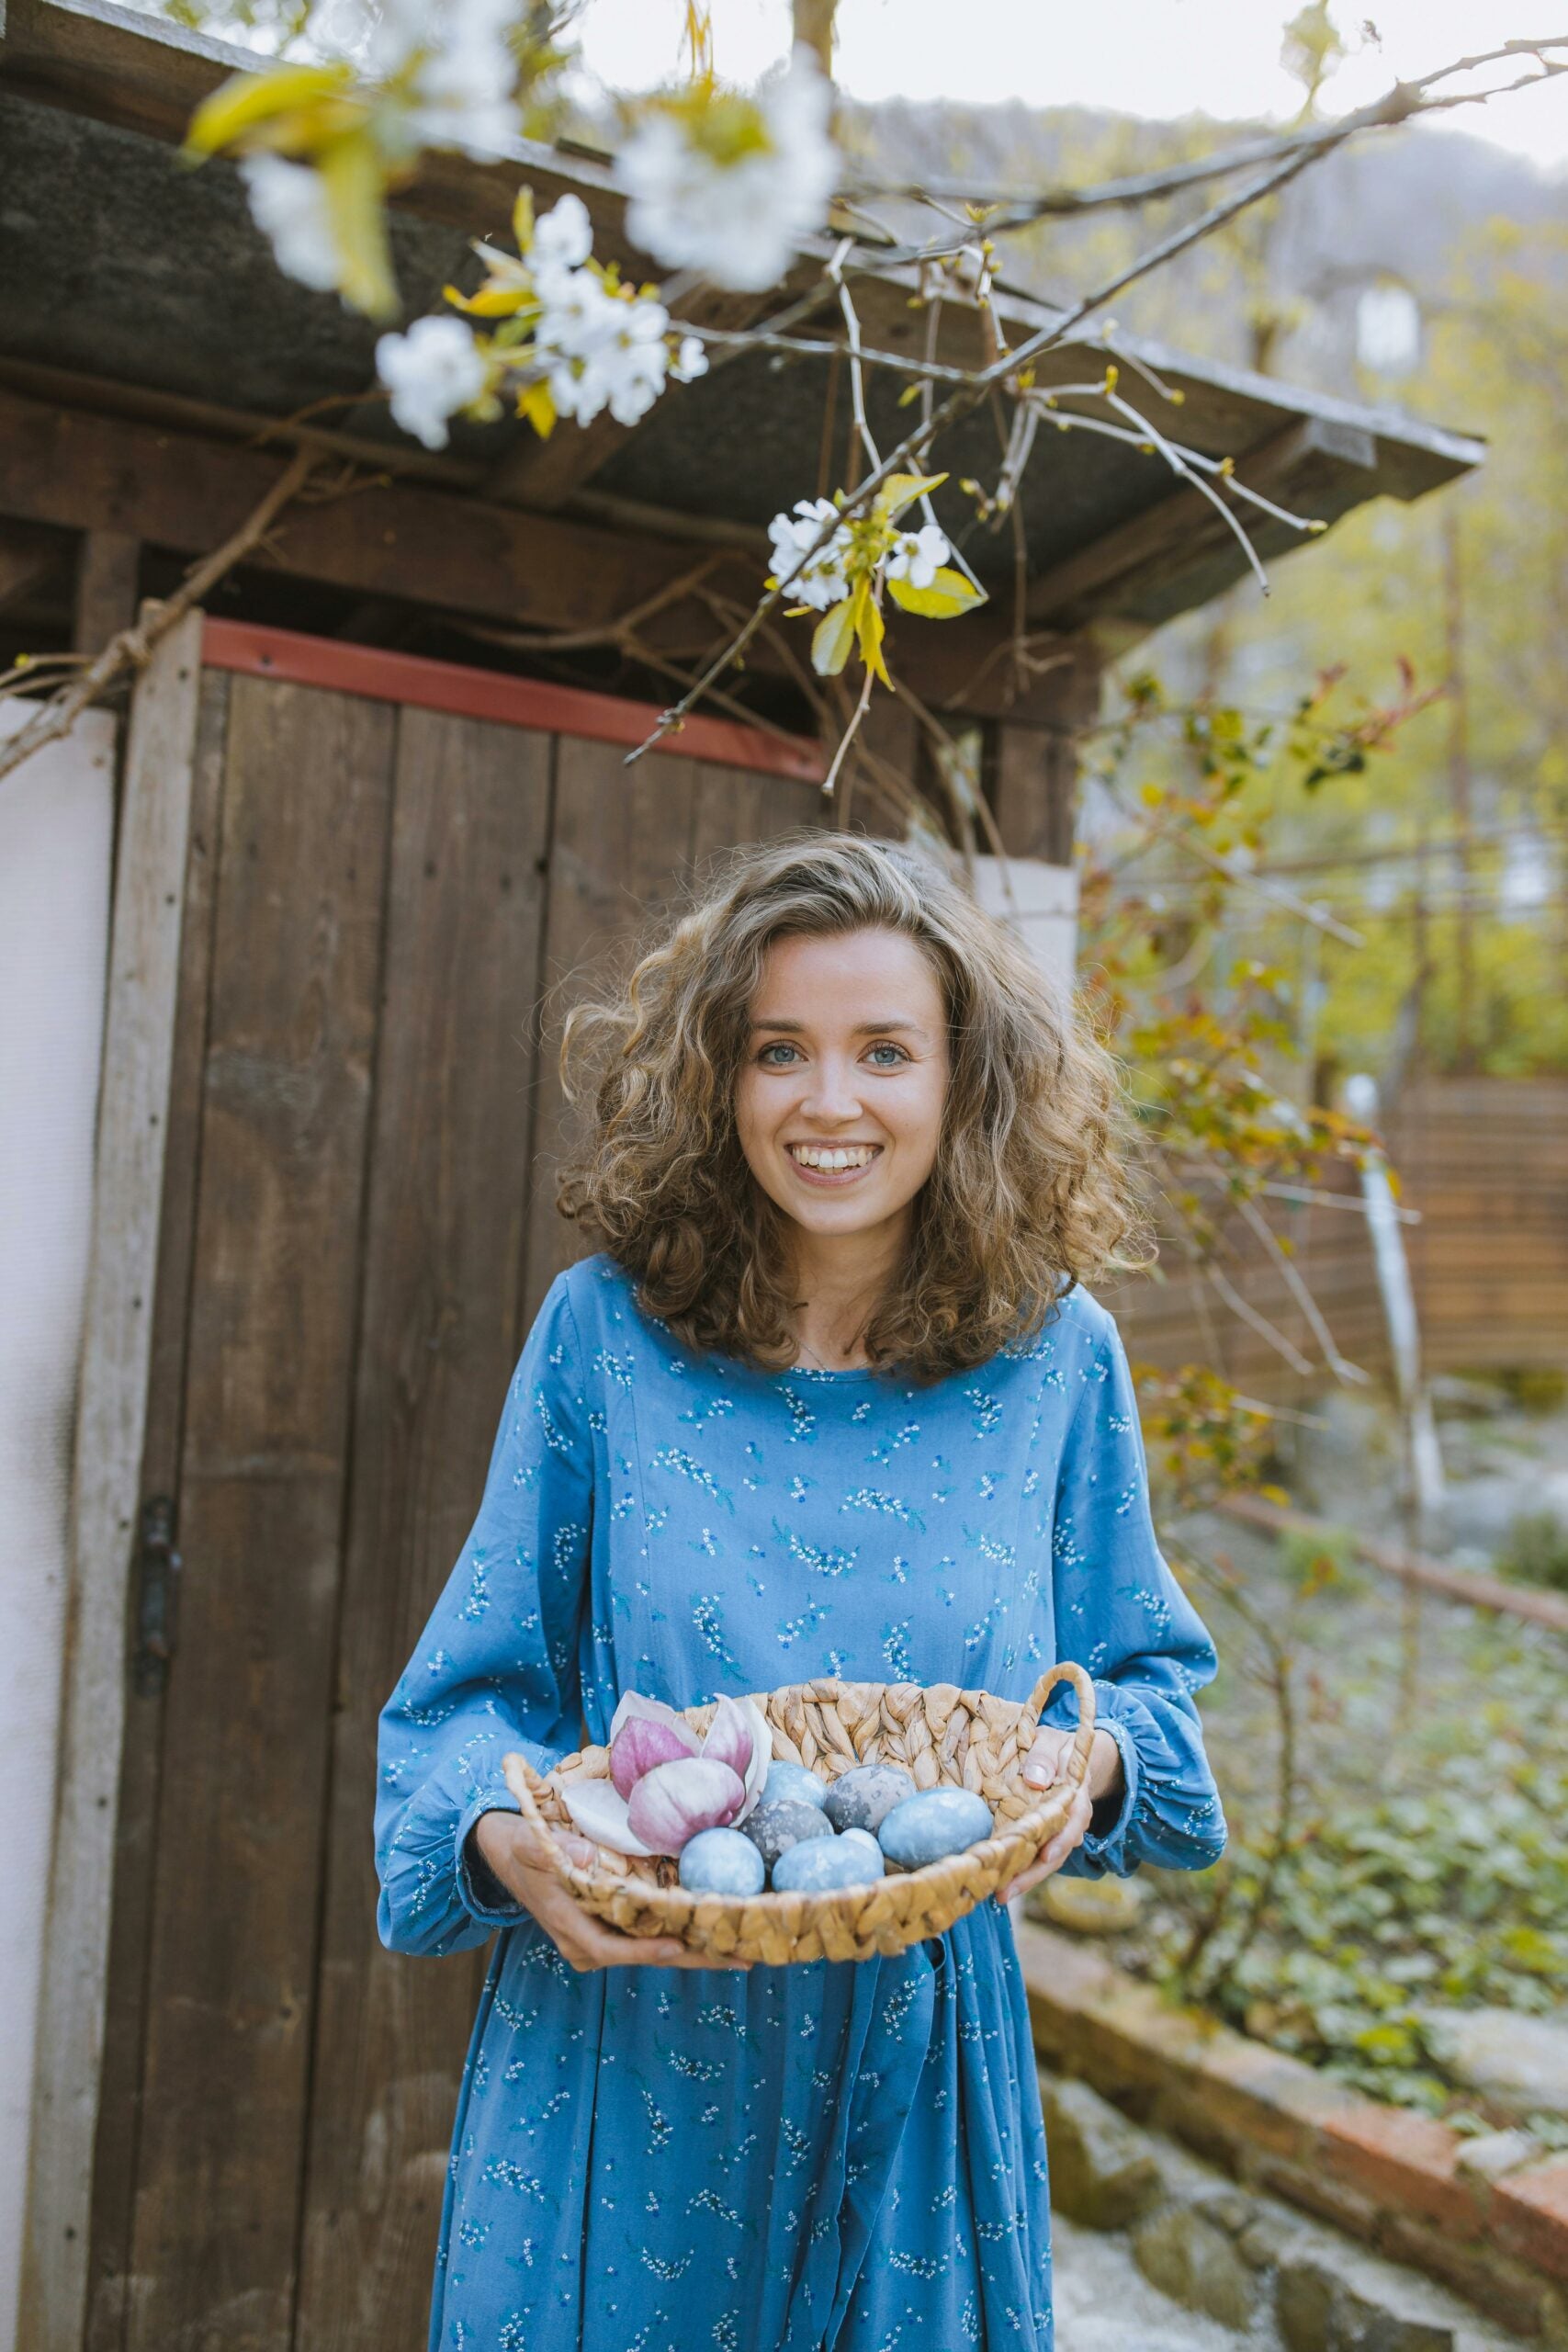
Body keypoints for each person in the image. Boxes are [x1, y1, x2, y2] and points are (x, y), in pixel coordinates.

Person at [374, 832, 1226, 2352]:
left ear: (968, 1082)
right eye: (782, 1051)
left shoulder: (1058, 1363)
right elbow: (463, 1705)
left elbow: (1150, 1703)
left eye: (884, 1051)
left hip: (923, 2087)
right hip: (624, 2070)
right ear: (722, 1079)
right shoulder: (605, 1344)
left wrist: (1084, 1770)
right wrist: (511, 1849)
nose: (831, 1103)